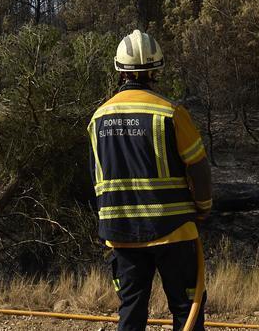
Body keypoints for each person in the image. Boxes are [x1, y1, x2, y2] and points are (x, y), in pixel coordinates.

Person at [89, 29, 212, 331]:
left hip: (121, 232)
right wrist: (204, 206)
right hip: (173, 231)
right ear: (156, 69)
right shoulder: (171, 113)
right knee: (186, 308)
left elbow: (96, 178)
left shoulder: (97, 119)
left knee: (131, 309)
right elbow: (198, 167)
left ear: (119, 70)